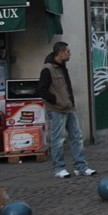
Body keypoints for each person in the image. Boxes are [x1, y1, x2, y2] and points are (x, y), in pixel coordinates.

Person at [37, 41, 96, 178]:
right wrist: (55, 100)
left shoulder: (62, 66)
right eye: (68, 51)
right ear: (61, 53)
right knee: (58, 139)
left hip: (69, 107)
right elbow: (41, 90)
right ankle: (59, 168)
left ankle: (80, 166)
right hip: (57, 109)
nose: (70, 54)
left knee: (77, 136)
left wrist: (70, 102)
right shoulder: (48, 69)